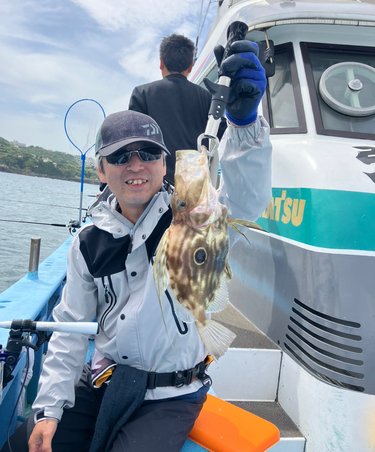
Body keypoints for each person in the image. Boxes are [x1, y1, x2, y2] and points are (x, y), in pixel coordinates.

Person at [2, 40, 271, 452]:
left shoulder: (188, 216)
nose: (136, 164)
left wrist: (246, 125)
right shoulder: (88, 243)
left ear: (164, 163)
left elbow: (247, 199)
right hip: (105, 381)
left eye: (148, 152)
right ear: (101, 168)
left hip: (173, 394)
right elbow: (71, 331)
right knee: (27, 445)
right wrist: (48, 409)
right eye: (121, 155)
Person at [128, 34, 226, 184]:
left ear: (161, 61)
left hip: (153, 185)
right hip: (192, 188)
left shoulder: (142, 94)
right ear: (191, 65)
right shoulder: (207, 98)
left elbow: (132, 141)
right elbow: (221, 133)